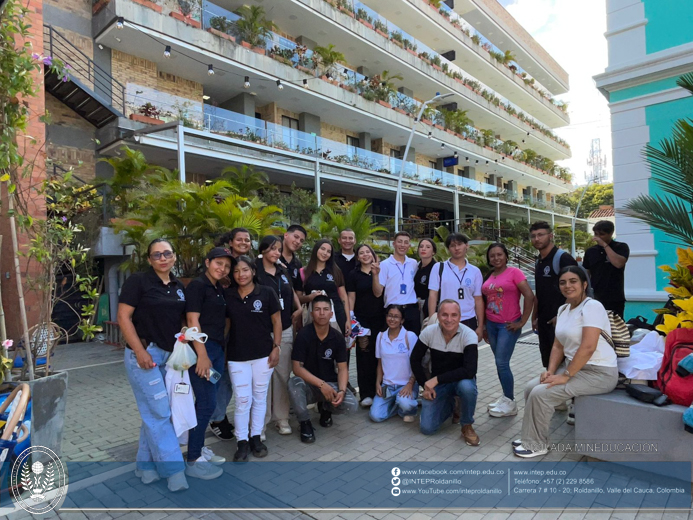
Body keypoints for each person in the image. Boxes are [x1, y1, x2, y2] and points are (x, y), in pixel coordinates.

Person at [513, 266, 619, 458]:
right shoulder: (563, 309)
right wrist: (551, 372)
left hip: (599, 373)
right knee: (531, 387)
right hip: (574, 368)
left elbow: (588, 347)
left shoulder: (592, 307)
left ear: (584, 284)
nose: (567, 286)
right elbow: (557, 347)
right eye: (563, 282)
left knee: (540, 394)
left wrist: (566, 375)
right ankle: (531, 435)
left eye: (573, 281)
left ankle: (536, 444)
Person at [117, 238, 189, 492]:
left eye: (167, 253)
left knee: (154, 412)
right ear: (149, 259)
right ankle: (174, 471)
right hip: (143, 356)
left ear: (174, 257)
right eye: (156, 255)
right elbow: (123, 317)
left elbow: (177, 320)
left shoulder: (178, 286)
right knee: (160, 413)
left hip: (169, 357)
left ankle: (145, 467)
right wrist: (139, 351)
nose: (162, 258)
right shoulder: (138, 281)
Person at [183, 247, 236, 479]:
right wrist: (202, 355)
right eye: (218, 263)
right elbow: (193, 319)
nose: (222, 268)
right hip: (202, 350)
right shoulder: (197, 286)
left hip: (216, 349)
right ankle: (193, 460)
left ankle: (198, 449)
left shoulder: (217, 288)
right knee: (206, 403)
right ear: (207, 262)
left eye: (226, 266)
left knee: (206, 403)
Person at [225, 256, 282, 462]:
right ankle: (241, 441)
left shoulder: (266, 292)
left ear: (253, 271)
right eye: (237, 271)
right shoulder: (228, 295)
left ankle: (256, 437)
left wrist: (276, 347)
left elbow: (277, 321)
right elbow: (226, 325)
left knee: (259, 397)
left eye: (245, 270)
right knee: (242, 400)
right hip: (237, 356)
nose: (241, 275)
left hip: (263, 355)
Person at [288, 295, 359, 443]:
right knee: (293, 384)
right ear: (312, 313)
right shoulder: (304, 335)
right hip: (309, 385)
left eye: (326, 309)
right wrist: (321, 385)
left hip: (330, 384)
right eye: (318, 310)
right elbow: (297, 368)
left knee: (352, 406)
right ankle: (305, 422)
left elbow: (343, 368)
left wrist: (341, 390)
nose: (322, 313)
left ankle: (326, 408)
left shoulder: (337, 337)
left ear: (331, 314)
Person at [410, 300, 479, 445]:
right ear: (438, 316)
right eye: (444, 315)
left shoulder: (469, 335)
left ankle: (466, 425)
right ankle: (451, 406)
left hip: (460, 381)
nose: (449, 319)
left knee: (467, 387)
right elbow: (414, 359)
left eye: (454, 315)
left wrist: (436, 380)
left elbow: (470, 370)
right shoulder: (429, 332)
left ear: (460, 317)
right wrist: (425, 386)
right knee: (427, 428)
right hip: (439, 385)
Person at [209, 227, 253, 442]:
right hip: (221, 330)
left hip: (243, 330)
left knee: (239, 378)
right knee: (222, 377)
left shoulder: (249, 264)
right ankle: (217, 418)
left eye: (247, 239)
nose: (243, 242)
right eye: (239, 239)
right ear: (231, 242)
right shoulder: (222, 265)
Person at [255, 236, 302, 436]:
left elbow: (291, 290)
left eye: (278, 250)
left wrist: (299, 308)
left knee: (282, 375)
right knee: (262, 378)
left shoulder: (282, 271)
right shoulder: (255, 271)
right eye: (272, 249)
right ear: (263, 250)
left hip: (285, 329)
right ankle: (261, 422)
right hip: (261, 330)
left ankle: (281, 418)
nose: (276, 253)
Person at [482, 243, 534, 418]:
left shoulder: (515, 272)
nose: (496, 258)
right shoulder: (489, 275)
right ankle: (505, 397)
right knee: (499, 362)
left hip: (508, 325)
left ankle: (511, 402)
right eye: (492, 256)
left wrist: (523, 321)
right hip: (491, 324)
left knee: (502, 363)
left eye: (499, 254)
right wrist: (483, 326)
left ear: (506, 256)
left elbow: (529, 295)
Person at [530, 221, 577, 369]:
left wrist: (564, 315)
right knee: (548, 363)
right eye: (533, 236)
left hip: (562, 322)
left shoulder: (563, 259)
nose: (537, 239)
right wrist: (534, 316)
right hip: (544, 322)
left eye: (541, 235)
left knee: (564, 363)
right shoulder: (539, 261)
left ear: (550, 236)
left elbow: (577, 290)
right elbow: (539, 292)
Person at [347, 244, 385, 408]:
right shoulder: (353, 274)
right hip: (362, 321)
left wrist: (375, 274)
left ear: (373, 254)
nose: (365, 255)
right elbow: (351, 298)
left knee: (380, 355)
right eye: (361, 253)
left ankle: (382, 391)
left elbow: (378, 293)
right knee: (364, 356)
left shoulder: (382, 271)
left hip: (381, 319)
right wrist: (351, 318)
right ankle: (366, 394)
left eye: (367, 252)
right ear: (357, 257)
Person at [428, 233, 484, 342]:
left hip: (468, 320)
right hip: (445, 320)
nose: (456, 248)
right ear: (449, 249)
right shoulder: (439, 268)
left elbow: (478, 299)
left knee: (468, 356)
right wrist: (432, 320)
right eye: (452, 245)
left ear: (466, 246)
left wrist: (480, 326)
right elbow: (433, 295)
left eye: (459, 244)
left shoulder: (475, 271)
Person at [369, 304, 419, 423]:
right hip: (388, 386)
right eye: (390, 315)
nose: (392, 319)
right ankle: (397, 407)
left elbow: (417, 364)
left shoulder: (409, 336)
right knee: (375, 416)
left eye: (396, 317)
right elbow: (380, 363)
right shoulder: (380, 337)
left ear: (402, 320)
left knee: (405, 404)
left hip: (406, 385)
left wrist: (410, 384)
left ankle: (408, 408)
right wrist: (378, 383)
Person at [298, 239, 351, 337]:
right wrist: (310, 297)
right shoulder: (303, 272)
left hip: (337, 314)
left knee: (338, 345)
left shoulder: (336, 271)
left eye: (328, 251)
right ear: (316, 249)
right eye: (322, 249)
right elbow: (298, 298)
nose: (325, 253)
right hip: (314, 315)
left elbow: (344, 297)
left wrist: (348, 320)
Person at [372, 231, 421, 334]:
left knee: (413, 343)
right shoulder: (385, 265)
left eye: (406, 242)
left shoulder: (413, 263)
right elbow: (377, 293)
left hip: (411, 309)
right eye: (400, 242)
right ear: (394, 244)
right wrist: (375, 275)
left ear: (409, 245)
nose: (402, 245)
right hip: (393, 310)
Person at [582, 220, 629, 318]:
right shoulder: (591, 251)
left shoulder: (621, 247)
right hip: (595, 297)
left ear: (610, 233)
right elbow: (586, 273)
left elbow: (618, 264)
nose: (598, 237)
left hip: (615, 297)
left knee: (615, 328)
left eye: (602, 234)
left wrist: (605, 245)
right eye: (596, 234)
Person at [279, 224, 308, 304]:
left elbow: (298, 292)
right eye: (296, 237)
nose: (298, 242)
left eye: (301, 241)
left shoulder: (297, 264)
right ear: (286, 235)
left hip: (290, 311)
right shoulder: (273, 256)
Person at [414, 239, 437, 322]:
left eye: (428, 247)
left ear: (433, 252)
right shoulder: (416, 266)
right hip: (416, 304)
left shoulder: (436, 268)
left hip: (428, 306)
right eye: (421, 246)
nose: (423, 249)